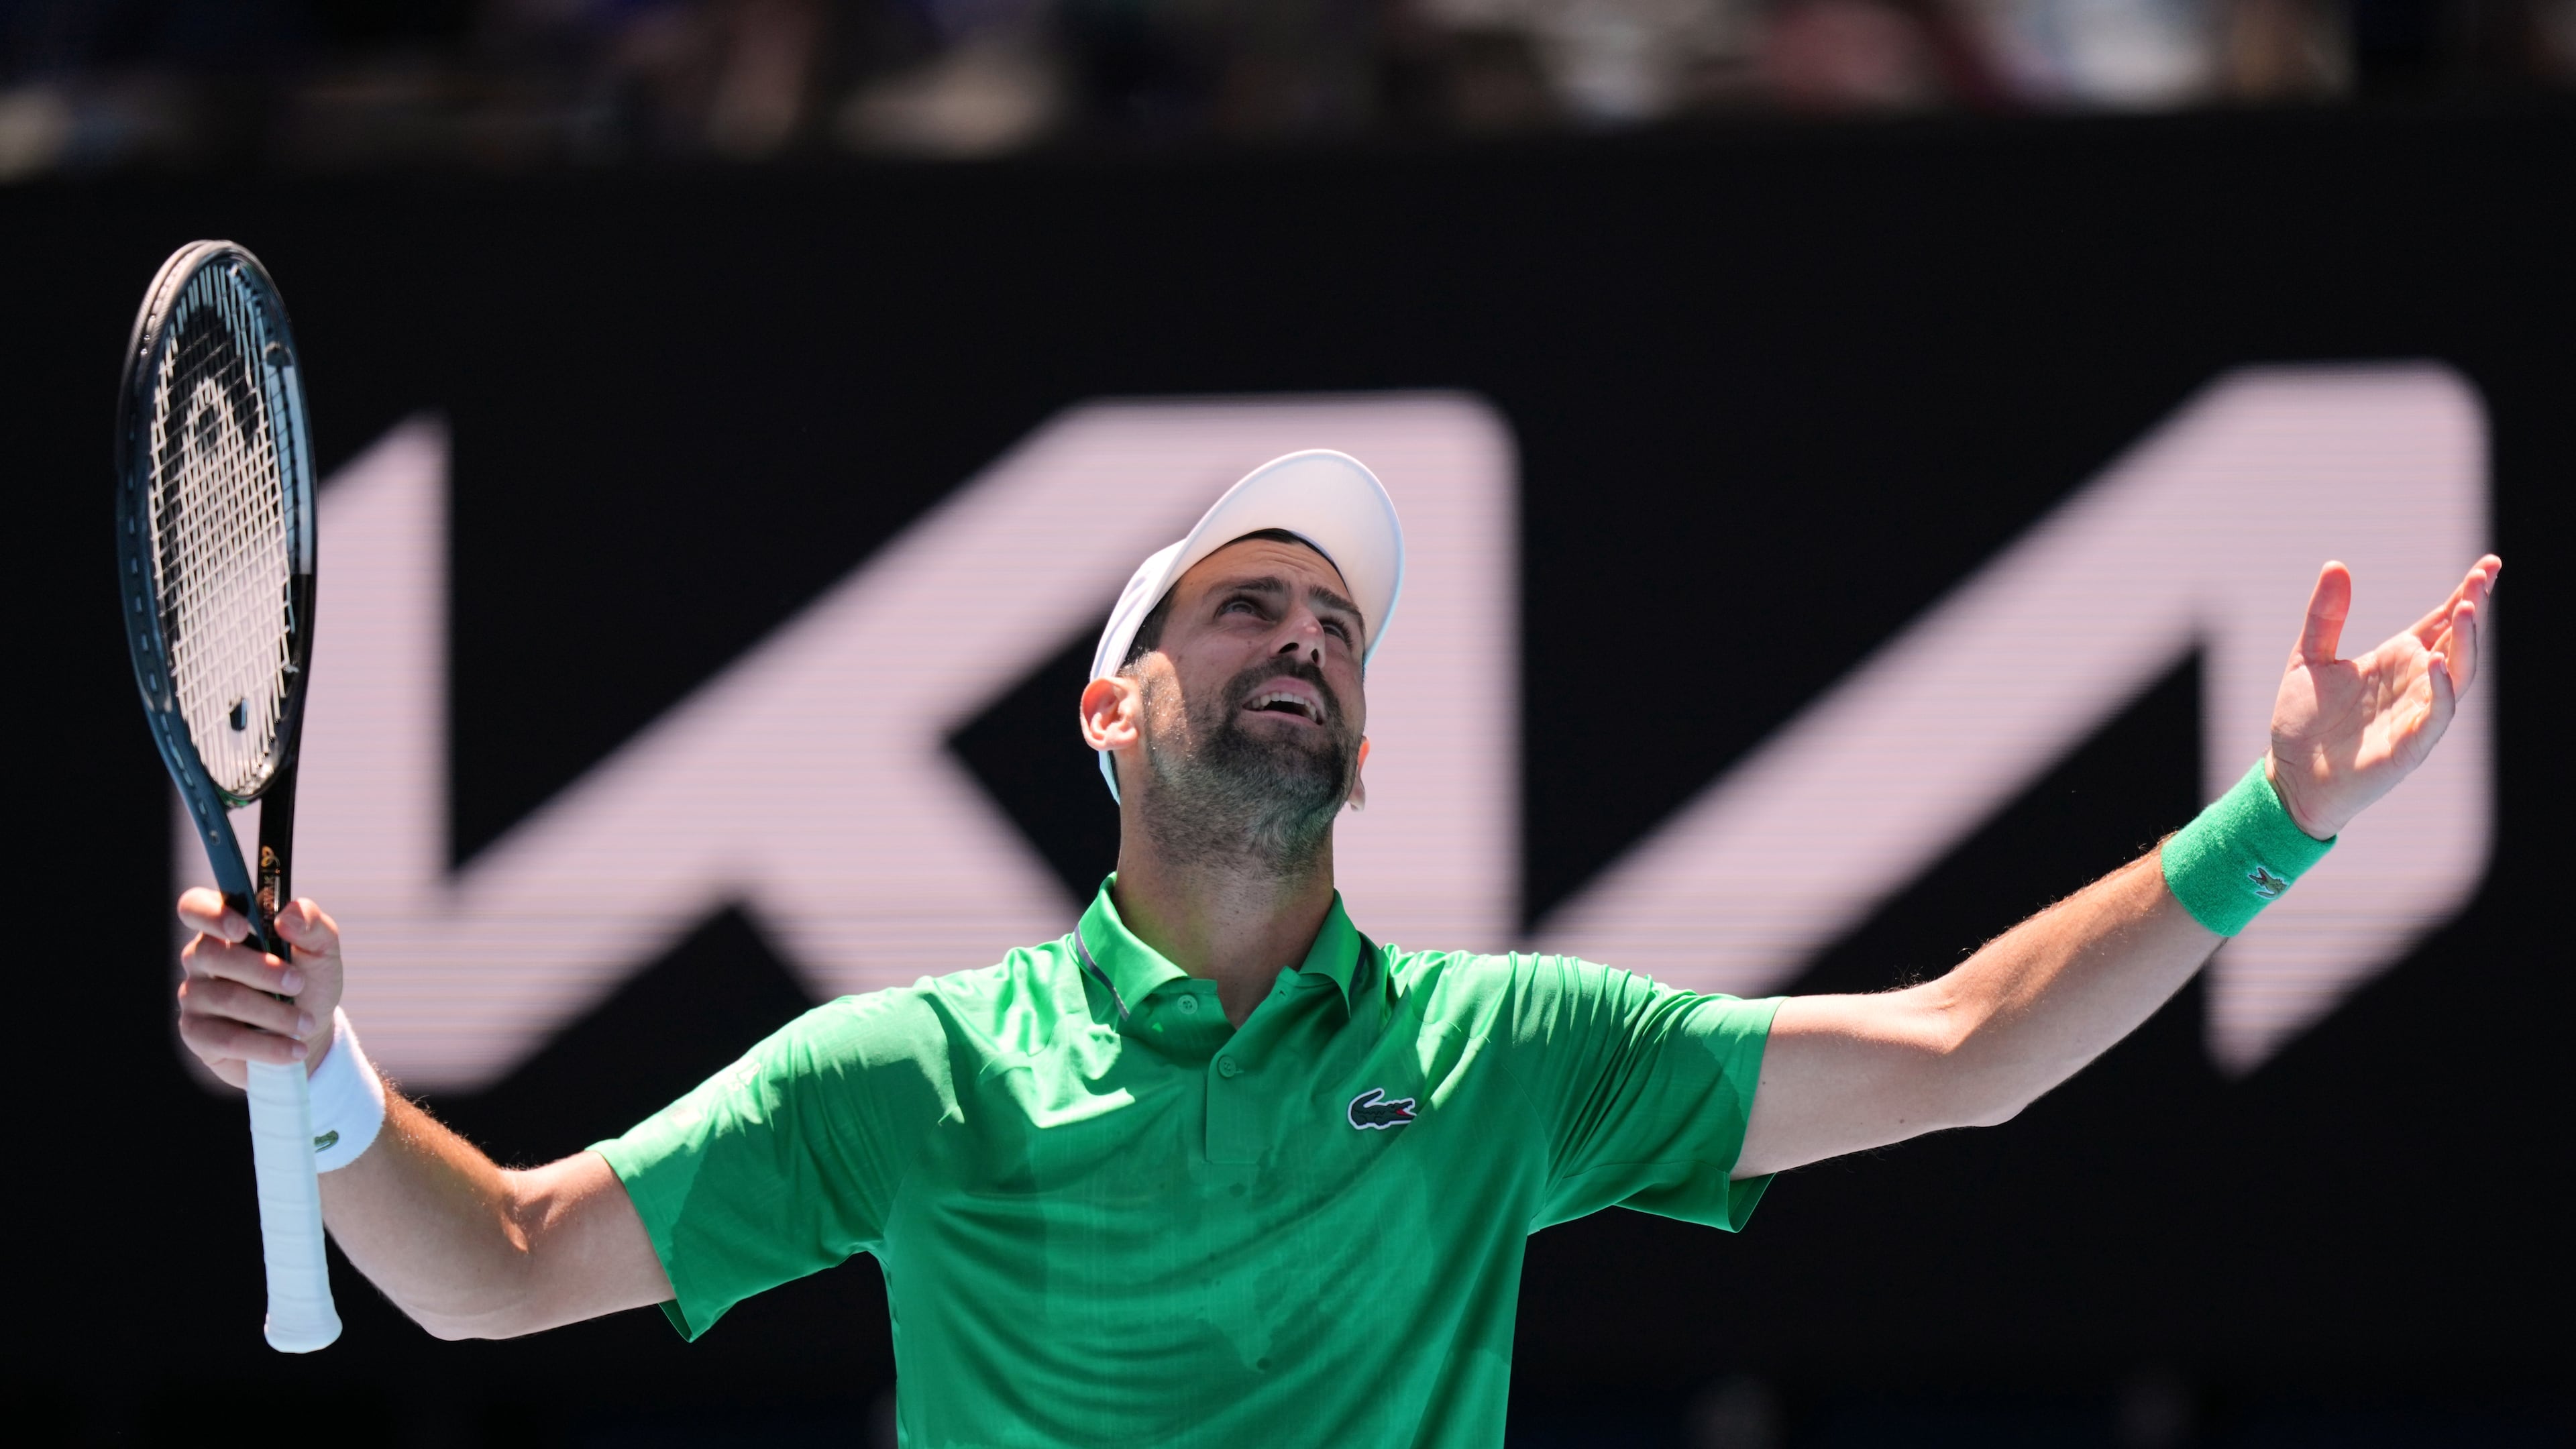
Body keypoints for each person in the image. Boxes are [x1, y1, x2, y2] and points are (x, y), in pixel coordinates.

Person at [174, 450, 2499, 1446]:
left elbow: (1971, 1048)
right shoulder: (908, 1081)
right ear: (1113, 706)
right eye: (1246, 605)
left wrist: (2276, 827)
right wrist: (328, 1071)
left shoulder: (1507, 1058)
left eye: (1338, 625)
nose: (1307, 640)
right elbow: (487, 1267)